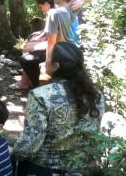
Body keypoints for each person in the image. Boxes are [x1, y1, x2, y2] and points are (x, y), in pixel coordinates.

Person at [13, 42, 105, 175]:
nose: (44, 62)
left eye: (48, 58)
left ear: (56, 66)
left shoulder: (40, 95)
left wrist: (13, 154)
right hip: (82, 167)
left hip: (44, 168)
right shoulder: (96, 95)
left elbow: (31, 143)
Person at [10, 0, 54, 90]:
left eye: (40, 6)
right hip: (48, 41)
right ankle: (26, 78)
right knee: (28, 43)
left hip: (53, 46)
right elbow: (46, 31)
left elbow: (52, 36)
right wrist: (37, 35)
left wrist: (37, 43)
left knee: (27, 48)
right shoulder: (50, 14)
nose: (40, 9)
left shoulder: (53, 14)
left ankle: (24, 82)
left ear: (47, 3)